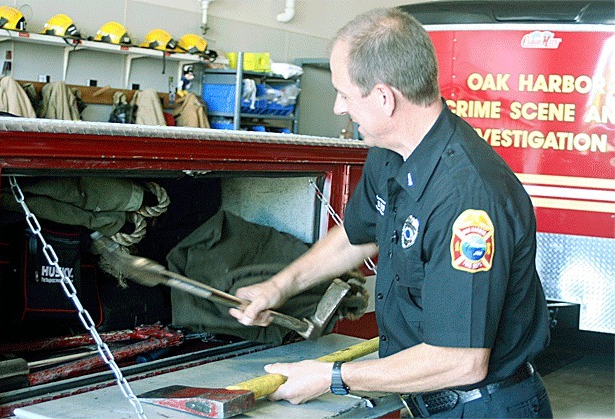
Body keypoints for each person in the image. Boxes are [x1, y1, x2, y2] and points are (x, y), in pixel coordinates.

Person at [229, 7, 553, 418]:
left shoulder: (466, 199)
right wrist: (277, 287)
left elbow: (460, 360)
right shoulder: (390, 154)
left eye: (344, 94)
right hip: (427, 400)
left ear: (384, 97)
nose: (338, 108)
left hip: (484, 408)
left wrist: (330, 376)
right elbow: (357, 234)